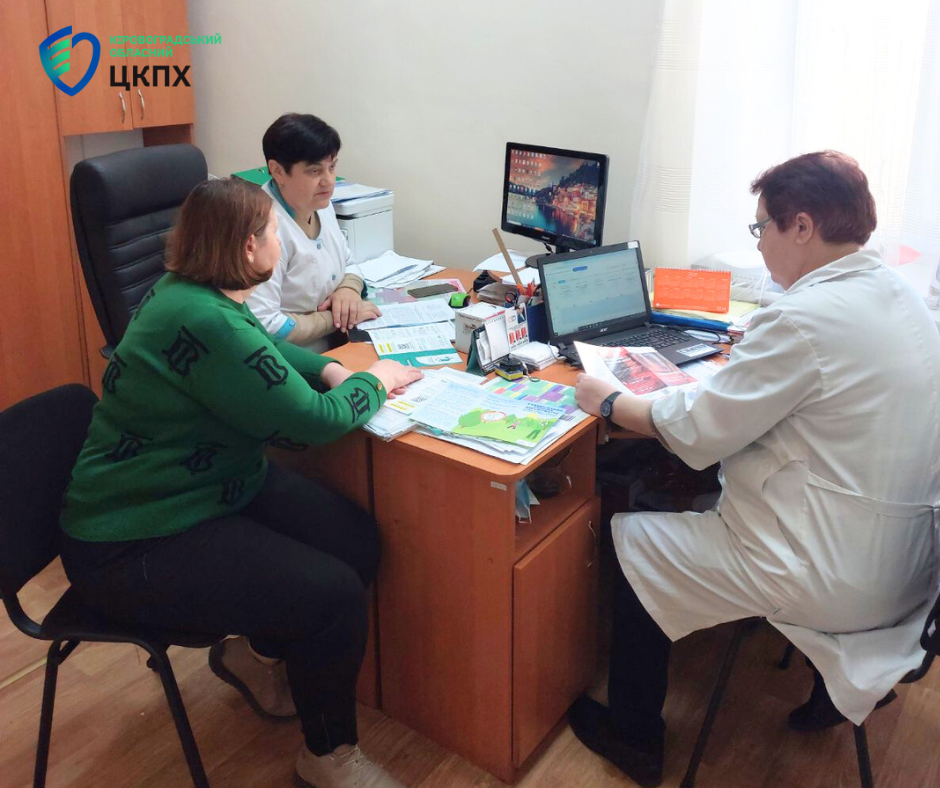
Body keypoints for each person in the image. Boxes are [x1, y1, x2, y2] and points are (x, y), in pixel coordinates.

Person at [570, 151, 940, 787]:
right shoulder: (902, 297)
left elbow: (697, 429)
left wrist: (607, 400)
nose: (760, 243)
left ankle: (634, 737)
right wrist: (758, 361)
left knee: (633, 540)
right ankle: (833, 687)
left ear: (802, 226)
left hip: (823, 569)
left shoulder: (803, 318)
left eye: (761, 227)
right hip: (907, 570)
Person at [59, 178, 422, 788]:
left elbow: (258, 346)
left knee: (355, 542)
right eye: (275, 232)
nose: (282, 240)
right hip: (135, 536)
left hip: (210, 485)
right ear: (249, 247)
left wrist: (330, 366)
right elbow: (312, 425)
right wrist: (375, 381)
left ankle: (258, 655)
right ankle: (328, 757)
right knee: (332, 595)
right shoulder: (204, 317)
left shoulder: (195, 292)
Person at [246, 113, 382, 351]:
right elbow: (265, 325)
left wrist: (349, 290)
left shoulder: (321, 204)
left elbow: (348, 262)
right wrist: (334, 319)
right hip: (293, 359)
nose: (328, 180)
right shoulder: (260, 228)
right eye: (314, 171)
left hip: (340, 344)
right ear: (277, 171)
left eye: (332, 167)